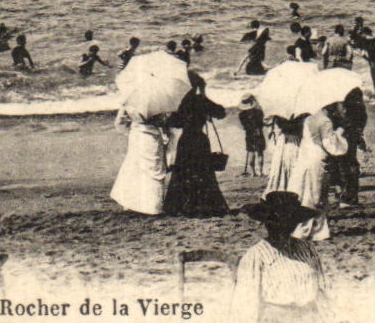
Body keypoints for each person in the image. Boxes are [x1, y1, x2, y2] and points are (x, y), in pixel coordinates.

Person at [231, 192, 327, 323]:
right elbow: (245, 304)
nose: (281, 228)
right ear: (267, 224)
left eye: (288, 223)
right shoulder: (256, 256)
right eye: (275, 223)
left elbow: (323, 289)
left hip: (311, 322)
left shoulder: (307, 248)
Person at [162, 72, 228, 217]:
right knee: (204, 173)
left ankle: (181, 205)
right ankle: (203, 205)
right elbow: (221, 112)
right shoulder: (201, 100)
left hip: (186, 140)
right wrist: (204, 96)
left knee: (182, 173)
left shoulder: (181, 103)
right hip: (200, 140)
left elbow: (174, 123)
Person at [110, 103, 171, 215]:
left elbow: (119, 122)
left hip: (136, 135)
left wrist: (131, 130)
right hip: (152, 136)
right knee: (153, 167)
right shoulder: (155, 101)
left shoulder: (130, 100)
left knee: (135, 166)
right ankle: (153, 206)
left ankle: (131, 203)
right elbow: (162, 121)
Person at [289, 107, 339, 241]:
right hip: (318, 159)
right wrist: (339, 135)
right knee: (317, 196)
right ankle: (317, 231)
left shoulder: (308, 119)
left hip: (304, 159)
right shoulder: (325, 121)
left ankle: (304, 228)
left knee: (305, 194)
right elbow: (331, 146)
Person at [326, 91, 369, 208]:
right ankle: (348, 197)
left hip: (335, 129)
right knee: (349, 163)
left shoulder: (327, 90)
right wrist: (358, 131)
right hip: (348, 129)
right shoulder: (352, 89)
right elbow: (361, 114)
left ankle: (340, 193)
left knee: (336, 161)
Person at [265, 113, 307, 197]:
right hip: (295, 142)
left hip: (284, 142)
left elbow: (276, 132)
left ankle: (280, 188)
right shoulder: (301, 116)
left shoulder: (279, 117)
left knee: (281, 167)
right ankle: (292, 190)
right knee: (293, 166)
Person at [352, 27, 375, 100]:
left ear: (365, 33)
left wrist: (359, 54)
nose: (361, 35)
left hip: (372, 62)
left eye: (362, 33)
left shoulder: (365, 41)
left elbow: (362, 53)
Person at [239, 96, 267, 176]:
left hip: (249, 134)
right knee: (260, 153)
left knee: (251, 152)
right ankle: (261, 172)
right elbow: (261, 123)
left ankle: (253, 173)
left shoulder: (241, 115)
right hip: (258, 133)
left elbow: (244, 126)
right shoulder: (258, 112)